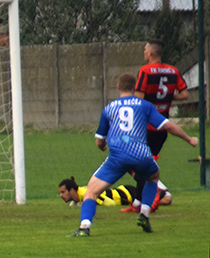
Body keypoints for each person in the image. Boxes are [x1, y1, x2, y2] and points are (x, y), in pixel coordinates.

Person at [68, 73, 198, 237]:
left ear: (118, 87)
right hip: (141, 155)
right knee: (153, 176)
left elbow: (100, 141)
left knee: (91, 193)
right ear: (135, 87)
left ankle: (84, 227)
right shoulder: (145, 105)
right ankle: (144, 214)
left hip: (117, 158)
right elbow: (168, 126)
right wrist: (189, 139)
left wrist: (102, 147)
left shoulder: (109, 108)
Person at [122, 39, 188, 213]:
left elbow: (138, 100)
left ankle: (159, 192)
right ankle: (138, 203)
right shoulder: (173, 70)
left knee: (127, 159)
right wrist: (164, 99)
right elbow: (184, 94)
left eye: (145, 50)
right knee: (141, 162)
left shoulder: (145, 71)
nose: (144, 52)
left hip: (146, 128)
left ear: (150, 53)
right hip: (162, 128)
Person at [58, 177, 171, 210]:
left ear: (72, 190)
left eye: (63, 192)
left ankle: (160, 193)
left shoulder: (84, 194)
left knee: (166, 200)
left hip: (126, 194)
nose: (61, 195)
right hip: (123, 190)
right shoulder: (79, 195)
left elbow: (110, 203)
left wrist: (83, 204)